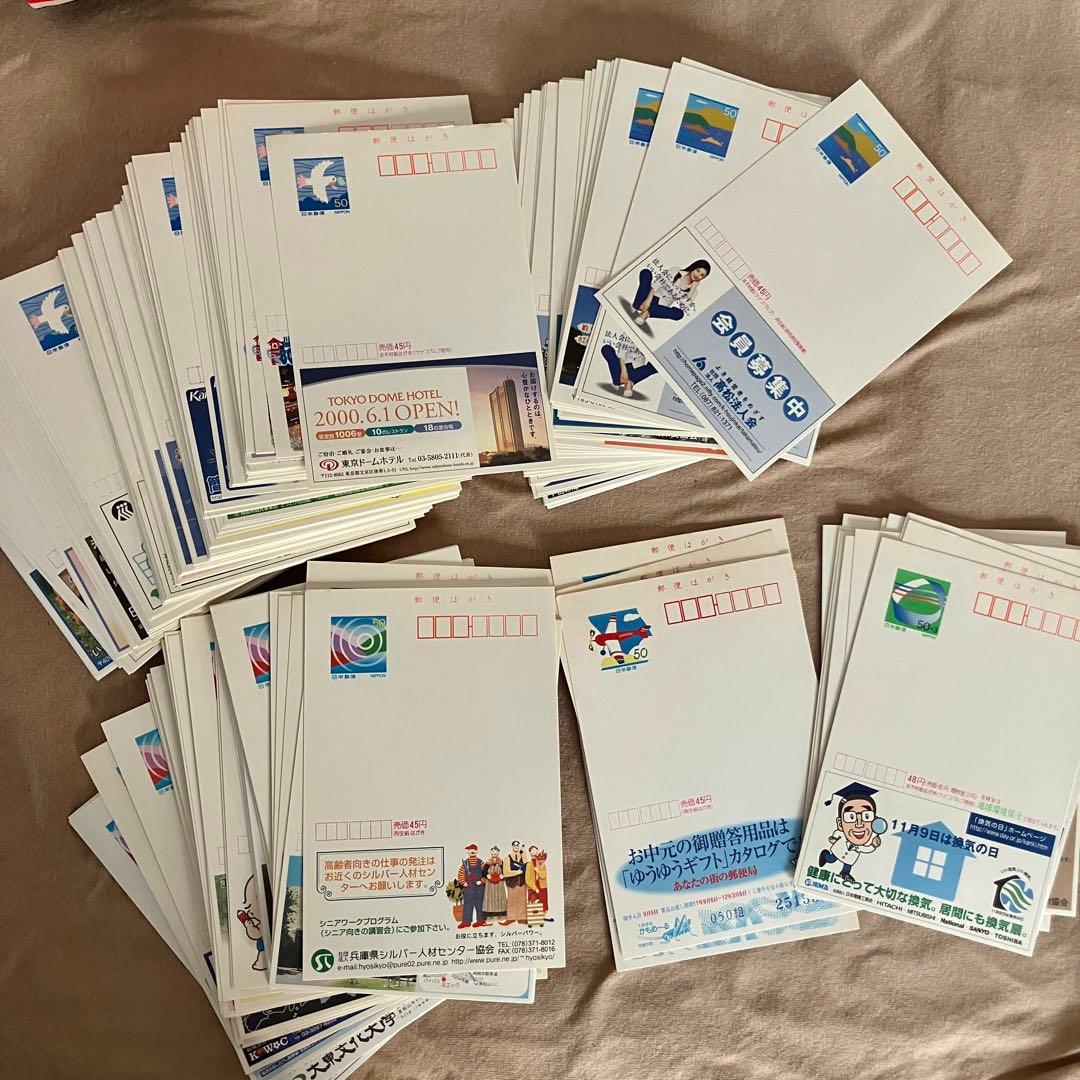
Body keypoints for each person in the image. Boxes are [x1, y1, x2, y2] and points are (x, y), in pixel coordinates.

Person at [818, 782, 882, 884]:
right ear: (840, 824)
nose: (859, 824)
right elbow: (837, 834)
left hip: (851, 856)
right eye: (851, 817)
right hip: (838, 849)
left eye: (866, 816)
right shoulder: (842, 834)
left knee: (847, 866)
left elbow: (867, 848)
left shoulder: (863, 844)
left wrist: (874, 845)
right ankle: (825, 856)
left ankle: (845, 873)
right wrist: (833, 838)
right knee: (832, 859)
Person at [629, 260, 711, 325]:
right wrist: (648, 300)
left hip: (661, 305)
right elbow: (659, 282)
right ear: (693, 267)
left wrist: (693, 288)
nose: (698, 275)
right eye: (698, 271)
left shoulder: (694, 292)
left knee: (679, 314)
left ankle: (645, 311)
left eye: (702, 275)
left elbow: (683, 306)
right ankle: (638, 305)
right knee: (646, 273)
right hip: (650, 294)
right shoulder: (676, 270)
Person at [236, 875, 267, 971]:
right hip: (264, 946)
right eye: (248, 907)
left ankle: (262, 962)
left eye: (251, 906)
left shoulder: (263, 924)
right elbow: (256, 934)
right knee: (263, 952)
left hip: (267, 946)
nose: (250, 912)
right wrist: (250, 927)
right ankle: (261, 962)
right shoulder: (260, 924)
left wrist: (249, 927)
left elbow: (257, 934)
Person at [457, 844, 488, 928]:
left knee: (480, 904)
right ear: (468, 852)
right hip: (468, 888)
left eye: (474, 849)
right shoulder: (465, 863)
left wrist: (481, 881)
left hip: (479, 888)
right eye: (470, 849)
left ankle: (481, 921)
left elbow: (486, 873)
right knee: (467, 904)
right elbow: (460, 873)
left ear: (477, 851)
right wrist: (463, 882)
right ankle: (466, 922)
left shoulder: (481, 862)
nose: (472, 851)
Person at [503, 840, 529, 925]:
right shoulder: (507, 858)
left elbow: (527, 867)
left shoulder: (523, 857)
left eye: (517, 845)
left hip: (521, 882)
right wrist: (516, 872)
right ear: (512, 846)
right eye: (514, 845)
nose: (516, 847)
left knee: (522, 900)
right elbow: (506, 873)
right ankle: (511, 918)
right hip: (511, 883)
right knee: (511, 900)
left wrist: (523, 854)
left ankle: (522, 918)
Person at [482, 845, 509, 925]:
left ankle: (502, 915)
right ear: (491, 852)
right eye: (493, 851)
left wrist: (503, 875)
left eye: (496, 851)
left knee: (500, 898)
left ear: (498, 852)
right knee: (489, 899)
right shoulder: (488, 862)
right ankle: (489, 916)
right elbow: (483, 872)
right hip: (489, 884)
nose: (494, 852)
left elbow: (505, 871)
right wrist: (487, 875)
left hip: (499, 884)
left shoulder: (501, 862)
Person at [526, 845, 548, 915]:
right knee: (533, 905)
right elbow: (527, 879)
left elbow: (543, 875)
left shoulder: (541, 863)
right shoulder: (529, 864)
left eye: (535, 850)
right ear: (530, 852)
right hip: (533, 887)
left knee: (543, 906)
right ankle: (535, 918)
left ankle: (542, 917)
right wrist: (535, 888)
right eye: (532, 850)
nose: (534, 852)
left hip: (542, 887)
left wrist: (538, 871)